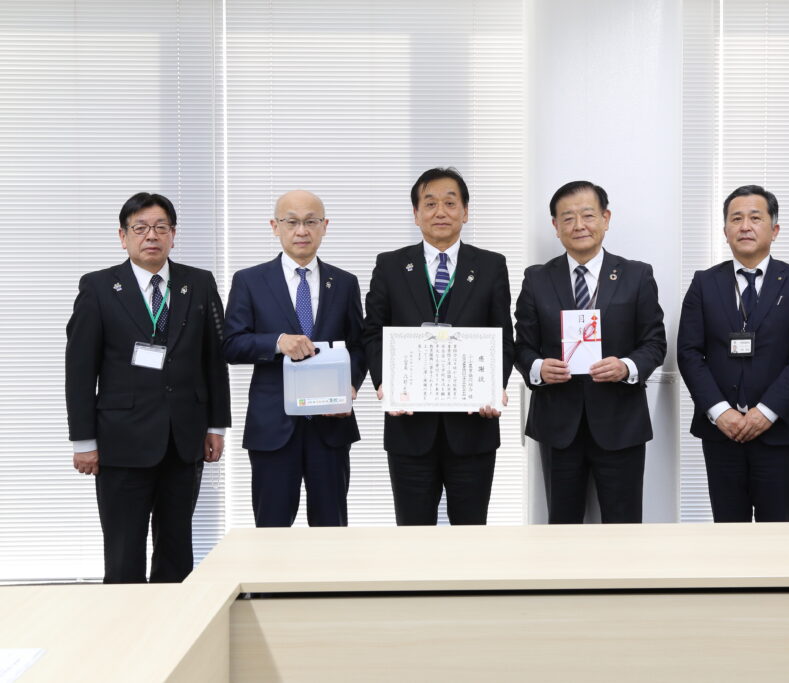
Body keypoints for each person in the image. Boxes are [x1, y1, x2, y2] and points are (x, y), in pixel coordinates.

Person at [65, 192, 230, 583]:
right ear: (123, 236)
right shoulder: (99, 287)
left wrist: (216, 426)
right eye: (139, 228)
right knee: (123, 554)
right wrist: (83, 441)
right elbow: (80, 370)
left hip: (183, 439)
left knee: (177, 551)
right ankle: (124, 622)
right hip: (121, 442)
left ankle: (174, 620)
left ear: (173, 234)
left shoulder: (199, 283)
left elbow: (214, 359)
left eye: (160, 227)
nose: (151, 236)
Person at [363, 167, 513, 525]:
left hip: (473, 428)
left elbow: (503, 335)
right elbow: (373, 332)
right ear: (416, 214)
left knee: (471, 532)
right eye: (430, 204)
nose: (440, 212)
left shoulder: (491, 265)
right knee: (413, 534)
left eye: (450, 202)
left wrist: (494, 387)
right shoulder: (391, 265)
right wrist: (386, 383)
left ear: (465, 211)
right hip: (409, 429)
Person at [514, 180, 666, 523]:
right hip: (558, 424)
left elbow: (655, 342)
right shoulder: (537, 279)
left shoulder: (637, 275)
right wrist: (538, 368)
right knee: (562, 526)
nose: (578, 225)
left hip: (621, 422)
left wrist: (627, 367)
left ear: (605, 218)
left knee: (624, 525)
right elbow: (522, 346)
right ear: (555, 226)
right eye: (567, 218)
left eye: (587, 215)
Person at [678, 185, 789, 523]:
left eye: (755, 218)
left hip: (779, 431)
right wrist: (720, 412)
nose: (745, 226)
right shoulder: (704, 283)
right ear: (725, 230)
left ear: (774, 229)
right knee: (728, 529)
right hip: (722, 432)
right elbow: (689, 352)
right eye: (736, 219)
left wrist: (766, 412)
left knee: (778, 530)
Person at [223, 190, 366, 528]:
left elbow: (359, 345)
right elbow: (231, 344)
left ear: (324, 226)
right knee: (272, 531)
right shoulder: (249, 280)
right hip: (273, 427)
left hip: (330, 426)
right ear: (275, 226)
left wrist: (350, 387)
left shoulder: (344, 283)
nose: (302, 230)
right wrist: (277, 342)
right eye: (292, 222)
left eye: (311, 222)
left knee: (331, 530)